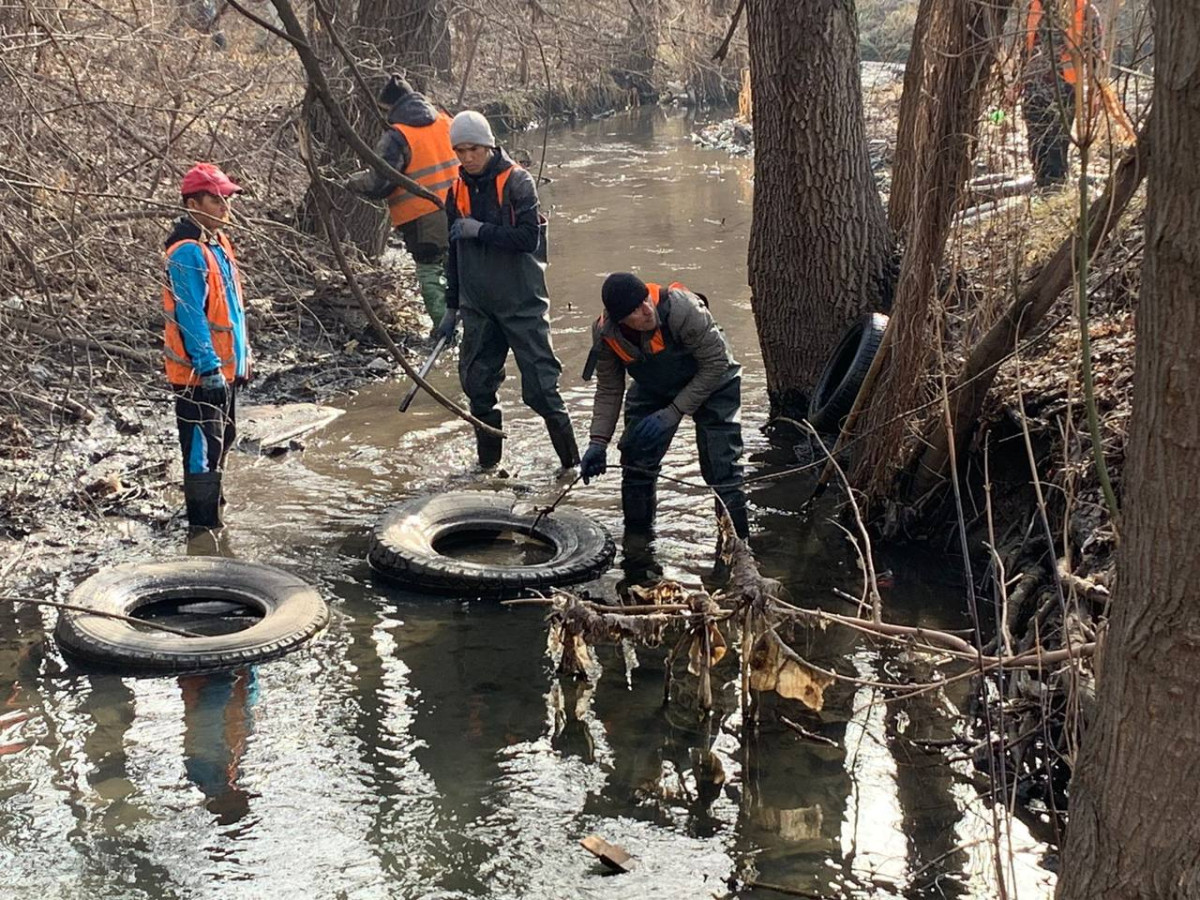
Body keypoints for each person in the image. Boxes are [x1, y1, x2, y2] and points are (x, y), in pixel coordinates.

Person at [438, 110, 579, 470]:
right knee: (478, 389)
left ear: (488, 146)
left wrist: (479, 230)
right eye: (460, 151)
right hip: (479, 310)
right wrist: (451, 307)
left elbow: (527, 238)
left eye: (473, 149)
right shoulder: (454, 193)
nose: (467, 157)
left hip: (522, 305)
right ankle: (487, 469)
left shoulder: (517, 183)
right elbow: (453, 256)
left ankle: (572, 468)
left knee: (543, 391)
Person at [579, 273, 749, 539]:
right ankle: (638, 548)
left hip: (714, 380)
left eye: (645, 300)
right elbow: (610, 389)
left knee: (723, 470)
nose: (647, 311)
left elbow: (716, 364)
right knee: (636, 462)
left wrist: (674, 412)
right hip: (654, 385)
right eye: (635, 310)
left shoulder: (683, 308)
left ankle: (738, 550)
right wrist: (598, 442)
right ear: (620, 319)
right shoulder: (605, 334)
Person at [163, 163, 252, 533]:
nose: (223, 206)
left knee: (223, 440)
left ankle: (215, 514)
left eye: (225, 198)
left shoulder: (217, 244)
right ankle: (203, 530)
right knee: (201, 453)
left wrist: (241, 362)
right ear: (192, 202)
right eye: (215, 199)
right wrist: (209, 367)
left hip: (225, 370)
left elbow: (229, 310)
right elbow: (191, 316)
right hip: (199, 376)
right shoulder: (186, 253)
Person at [347, 74, 459, 331]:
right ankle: (470, 323)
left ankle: (446, 331)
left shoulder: (398, 137)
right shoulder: (446, 122)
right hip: (461, 208)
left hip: (422, 216)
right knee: (460, 266)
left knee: (430, 270)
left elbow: (380, 183)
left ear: (390, 107)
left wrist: (353, 182)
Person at [1020, 0, 1102, 187]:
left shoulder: (1086, 11)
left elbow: (1095, 54)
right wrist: (1016, 83)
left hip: (1065, 90)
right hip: (1033, 88)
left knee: (1057, 148)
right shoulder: (1034, 7)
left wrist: (1094, 91)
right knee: (1036, 148)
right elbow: (1025, 47)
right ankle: (1043, 189)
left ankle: (1056, 192)